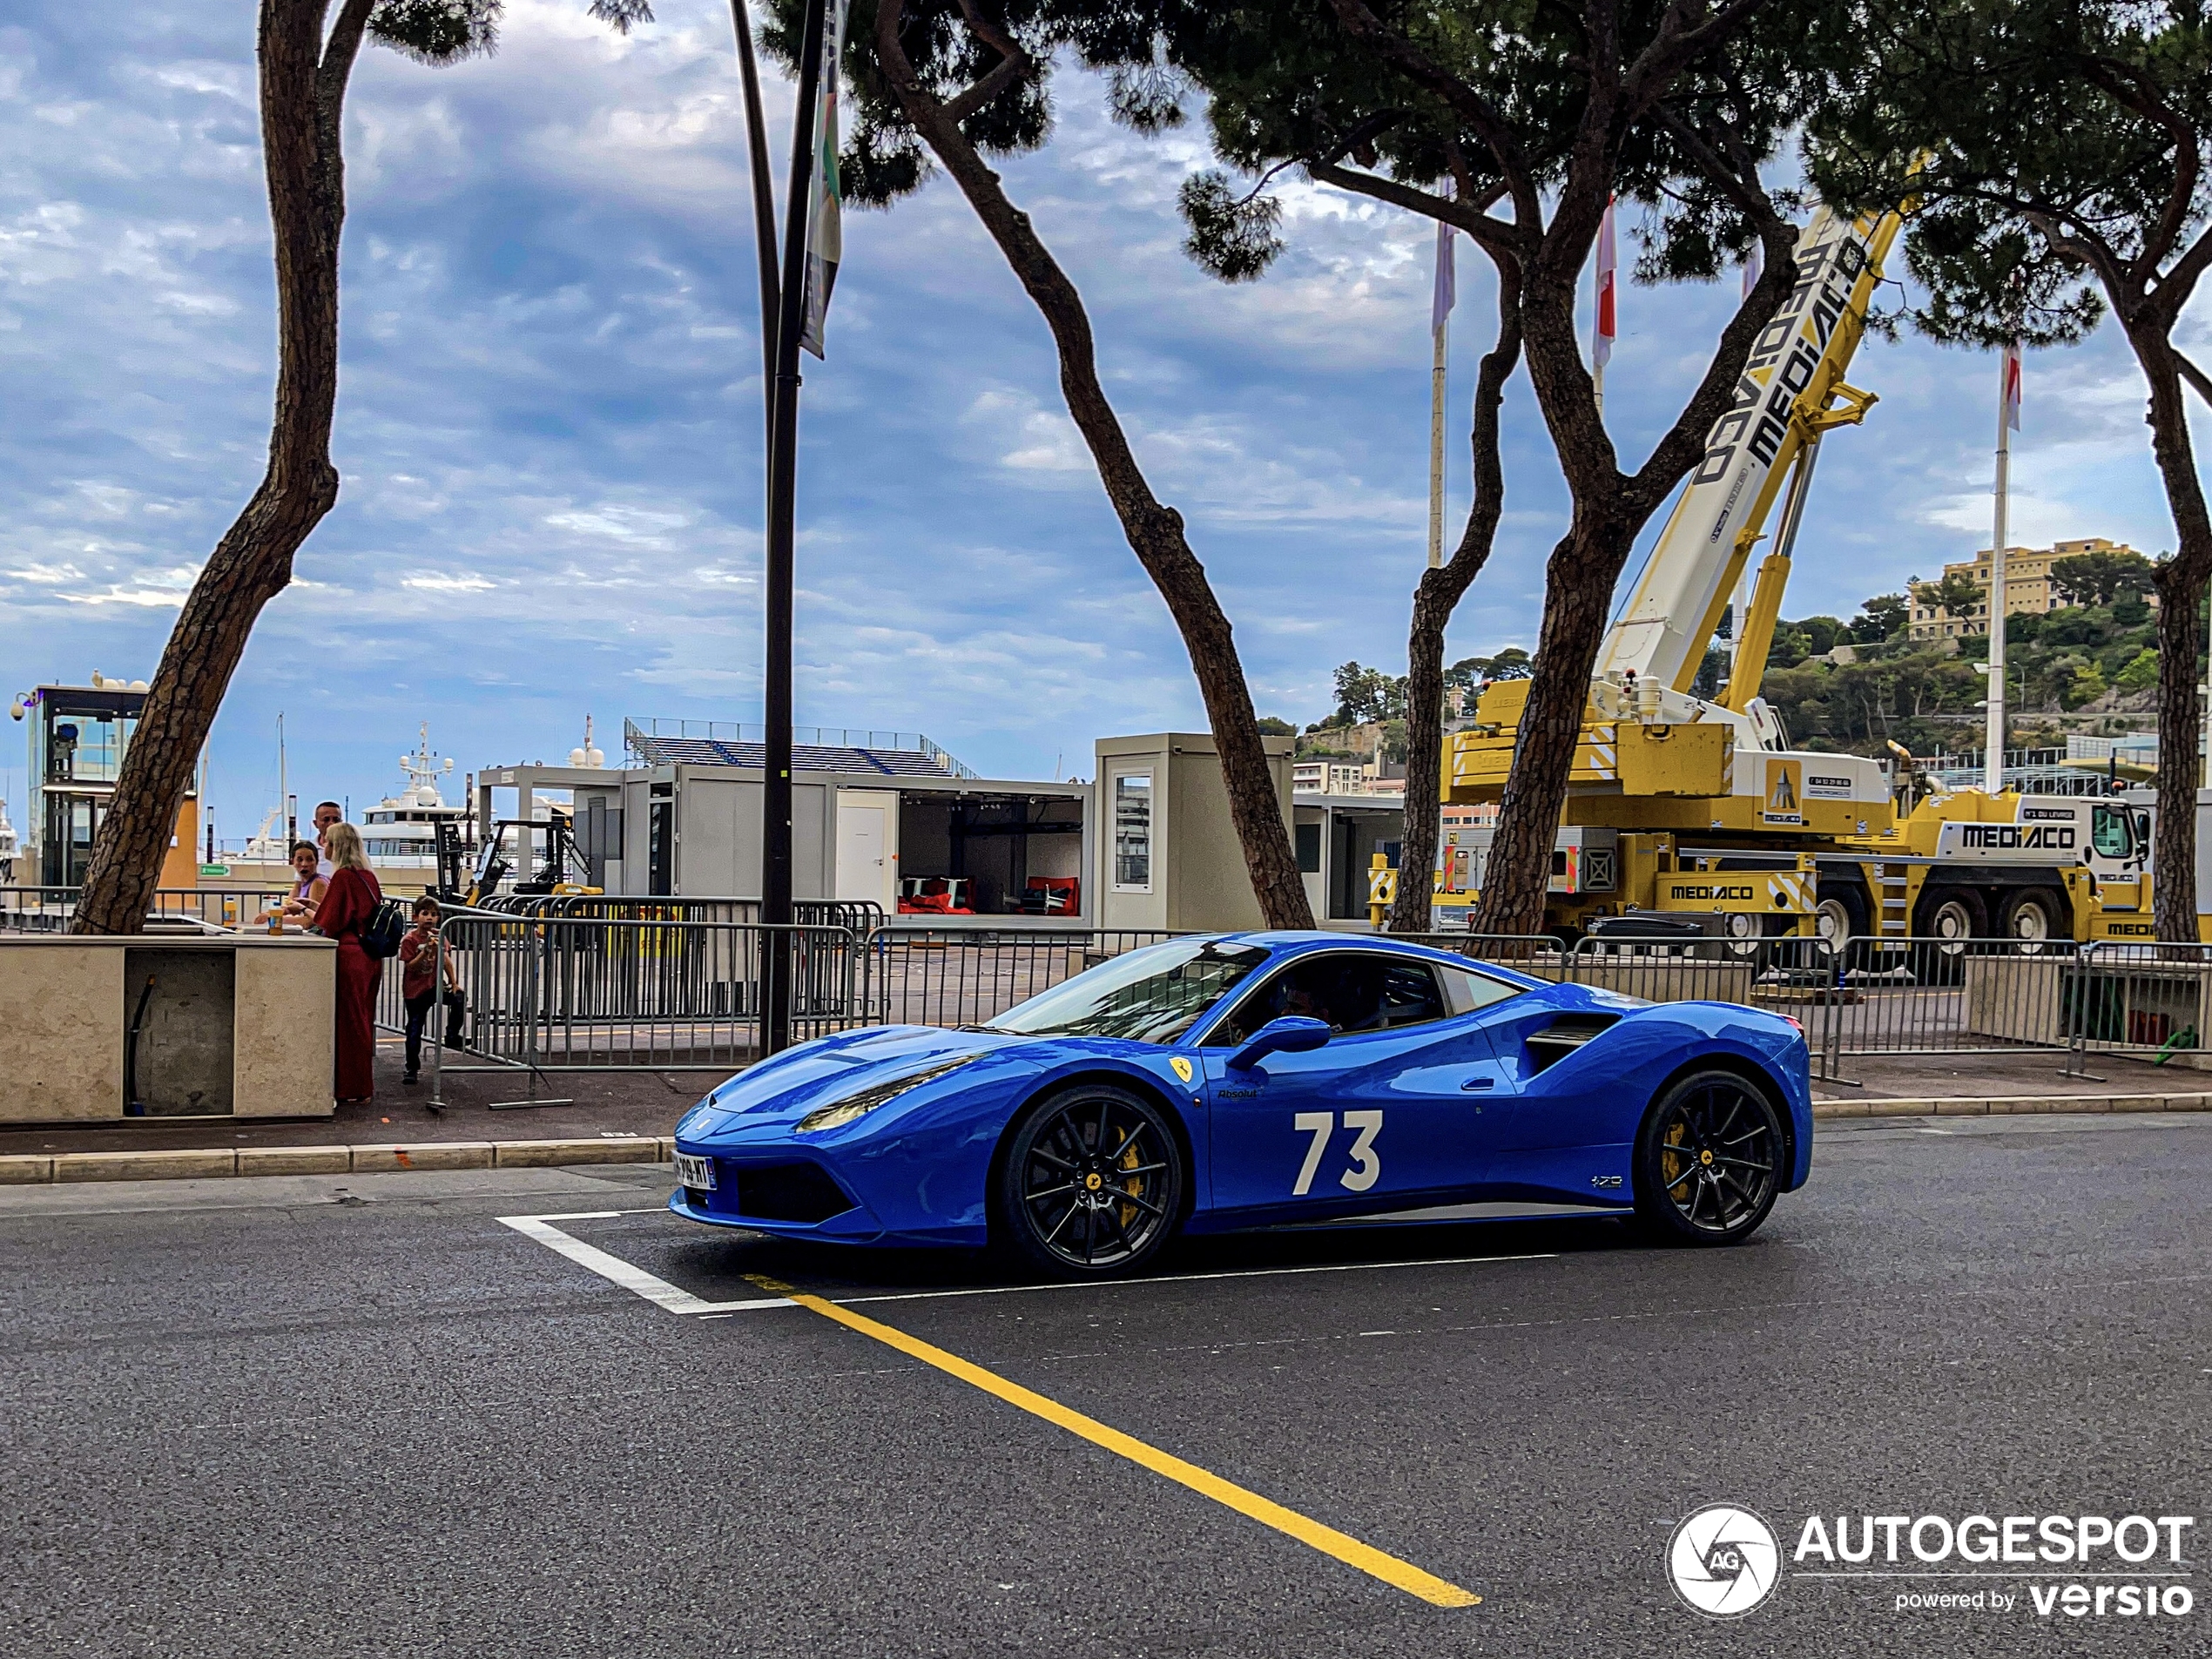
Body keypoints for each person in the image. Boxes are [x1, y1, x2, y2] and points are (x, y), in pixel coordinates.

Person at [314, 822, 382, 1105]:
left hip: (349, 955)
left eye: (328, 843)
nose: (324, 847)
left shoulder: (342, 878)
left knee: (349, 1024)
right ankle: (362, 1085)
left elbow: (328, 922)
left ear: (337, 846)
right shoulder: (368, 876)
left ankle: (351, 1087)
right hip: (370, 956)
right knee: (364, 1019)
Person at [398, 895, 465, 1085]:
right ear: (415, 917)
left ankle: (452, 1034)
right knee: (414, 1027)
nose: (429, 918)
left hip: (434, 986)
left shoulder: (439, 935)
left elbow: (446, 961)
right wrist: (426, 950)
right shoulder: (409, 940)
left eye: (434, 915)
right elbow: (410, 966)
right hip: (415, 991)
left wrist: (453, 982)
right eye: (425, 914)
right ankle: (412, 1067)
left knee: (459, 997)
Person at [253, 841, 326, 932]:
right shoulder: (300, 884)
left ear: (317, 862)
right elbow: (288, 908)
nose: (304, 864)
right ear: (292, 862)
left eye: (309, 860)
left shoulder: (318, 883)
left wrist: (273, 919)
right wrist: (268, 915)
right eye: (300, 860)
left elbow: (312, 921)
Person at [312, 800, 342, 880]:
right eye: (326, 819)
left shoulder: (351, 850)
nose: (331, 823)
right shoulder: (309, 849)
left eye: (336, 820)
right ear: (315, 823)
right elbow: (299, 885)